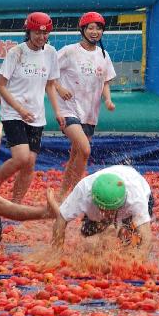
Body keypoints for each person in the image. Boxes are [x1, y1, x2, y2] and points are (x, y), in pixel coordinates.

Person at [0, 12, 69, 203]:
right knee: (21, 157)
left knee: (30, 163)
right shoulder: (16, 52)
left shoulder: (51, 53)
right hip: (14, 112)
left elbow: (51, 85)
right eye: (37, 33)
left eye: (45, 34)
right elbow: (1, 85)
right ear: (28, 32)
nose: (41, 37)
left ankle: (16, 203)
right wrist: (20, 109)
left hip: (36, 114)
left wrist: (58, 112)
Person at [55, 12, 117, 197]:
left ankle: (61, 196)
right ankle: (76, 194)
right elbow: (49, 73)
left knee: (75, 156)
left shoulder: (104, 55)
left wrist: (108, 99)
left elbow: (105, 81)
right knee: (85, 149)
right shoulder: (69, 51)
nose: (95, 32)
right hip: (68, 109)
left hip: (90, 114)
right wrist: (59, 88)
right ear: (82, 30)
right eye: (90, 28)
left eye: (98, 28)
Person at [52, 165, 153, 257]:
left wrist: (137, 262)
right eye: (103, 210)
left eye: (111, 211)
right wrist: (57, 253)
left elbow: (147, 240)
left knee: (132, 244)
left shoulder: (136, 200)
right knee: (89, 242)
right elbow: (61, 219)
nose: (107, 214)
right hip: (97, 205)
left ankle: (122, 231)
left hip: (137, 186)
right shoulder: (83, 191)